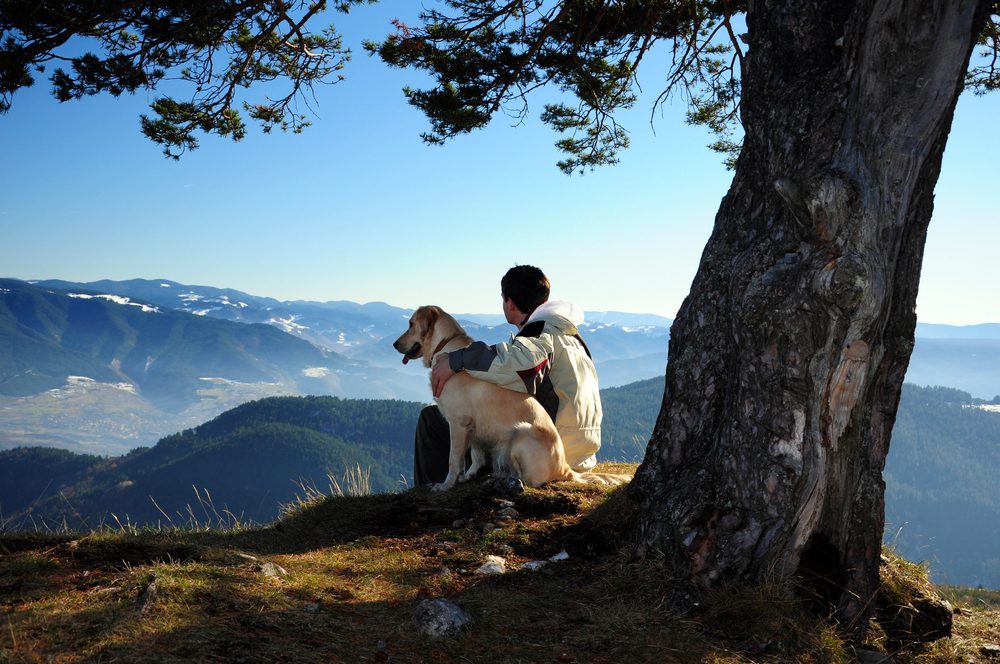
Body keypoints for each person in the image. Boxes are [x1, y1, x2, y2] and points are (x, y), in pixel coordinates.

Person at [412, 265, 603, 486]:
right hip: (578, 453)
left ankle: (434, 492)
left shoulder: (539, 335)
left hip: (544, 452)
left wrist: (457, 359)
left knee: (433, 420)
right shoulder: (571, 337)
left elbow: (521, 367)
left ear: (509, 303)